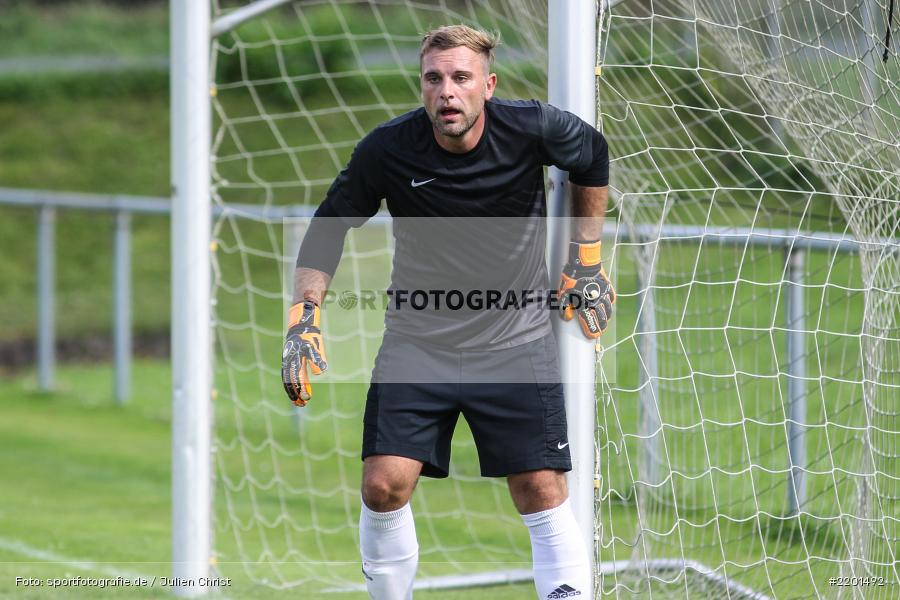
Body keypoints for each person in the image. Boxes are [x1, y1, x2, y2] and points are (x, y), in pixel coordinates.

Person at [282, 24, 614, 600]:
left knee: (540, 489)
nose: (447, 92)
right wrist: (303, 317)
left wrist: (585, 258)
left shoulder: (532, 127)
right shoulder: (388, 148)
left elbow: (593, 155)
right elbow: (327, 228)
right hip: (418, 344)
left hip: (516, 341)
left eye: (461, 78)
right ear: (422, 86)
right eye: (433, 79)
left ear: (488, 85)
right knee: (382, 486)